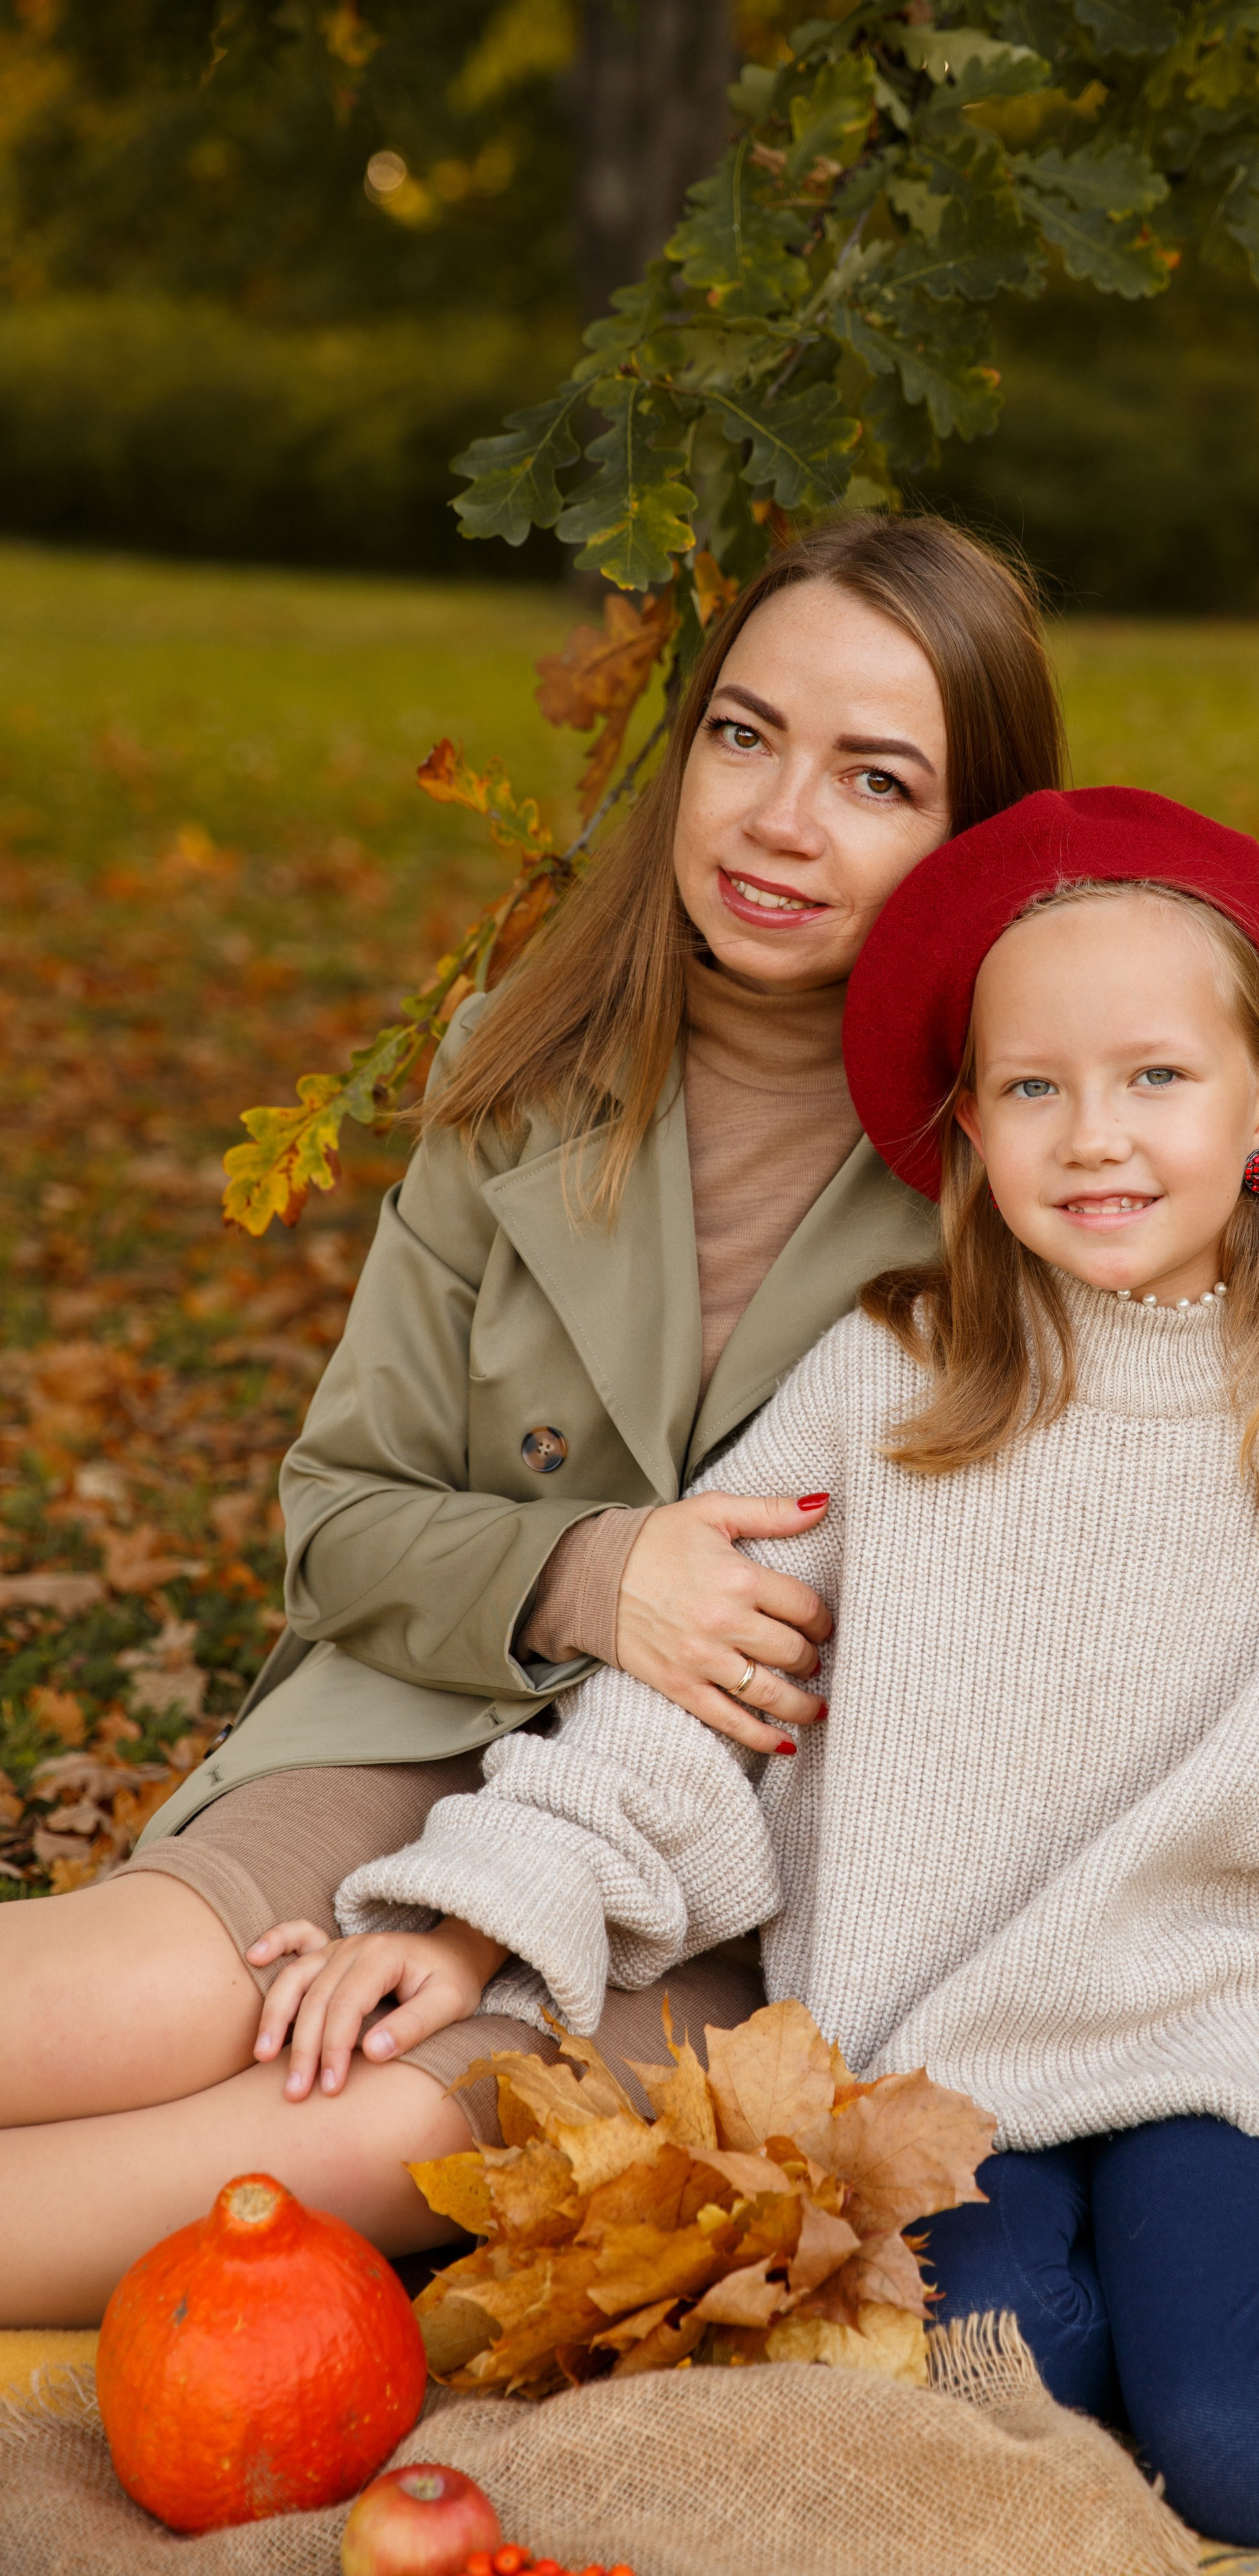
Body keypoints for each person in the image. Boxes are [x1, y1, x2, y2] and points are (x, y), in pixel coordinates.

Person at [283, 788, 1259, 2549]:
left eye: (1154, 1080)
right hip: (946, 2071)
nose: (1093, 1136)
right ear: (967, 1122)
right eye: (1035, 1087)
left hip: (1228, 2051)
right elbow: (685, 1703)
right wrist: (483, 1909)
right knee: (1004, 2406)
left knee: (1252, 2445)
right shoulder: (894, 1386)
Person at [0, 513, 1066, 2328]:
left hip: (736, 1883)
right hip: (428, 1724)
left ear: (976, 842)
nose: (780, 820)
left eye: (876, 778)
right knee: (136, 1999)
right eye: (743, 736)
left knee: (303, 2143)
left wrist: (502, 1907)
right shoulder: (521, 1071)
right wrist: (590, 1569)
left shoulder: (1044, 1157)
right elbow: (339, 1517)